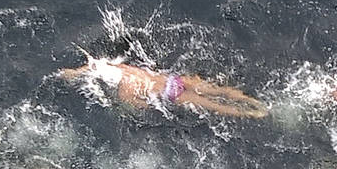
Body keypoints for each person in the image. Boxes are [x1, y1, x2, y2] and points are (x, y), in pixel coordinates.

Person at [55, 56, 269, 118]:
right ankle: (252, 101)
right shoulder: (123, 67)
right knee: (216, 90)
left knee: (213, 105)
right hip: (173, 81)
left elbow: (143, 107)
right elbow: (102, 65)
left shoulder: (123, 91)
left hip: (169, 94)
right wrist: (78, 71)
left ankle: (251, 114)